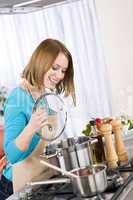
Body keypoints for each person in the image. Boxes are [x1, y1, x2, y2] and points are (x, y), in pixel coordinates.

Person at [0, 38, 75, 199]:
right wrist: (31, 127)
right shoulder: (17, 98)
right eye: (55, 68)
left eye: (63, 71)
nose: (59, 75)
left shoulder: (41, 93)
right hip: (16, 187)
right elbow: (12, 154)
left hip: (40, 179)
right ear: (41, 62)